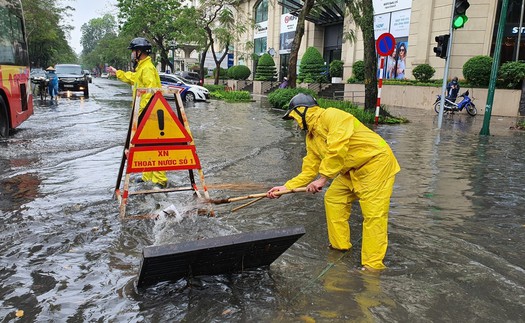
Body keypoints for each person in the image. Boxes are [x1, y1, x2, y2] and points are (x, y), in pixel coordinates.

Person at [267, 93, 400, 272]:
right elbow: (309, 169)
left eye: (294, 117)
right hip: (350, 171)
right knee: (333, 198)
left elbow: (337, 148)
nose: (295, 123)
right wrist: (285, 188)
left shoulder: (333, 116)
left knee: (374, 216)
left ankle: (372, 266)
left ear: (302, 111)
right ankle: (340, 246)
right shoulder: (312, 137)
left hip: (375, 164)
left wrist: (323, 179)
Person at [107, 37, 167, 189]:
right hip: (145, 112)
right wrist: (118, 73)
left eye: (134, 51)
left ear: (140, 52)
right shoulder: (142, 67)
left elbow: (150, 91)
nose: (132, 54)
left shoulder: (147, 68)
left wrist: (141, 113)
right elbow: (133, 78)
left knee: (154, 147)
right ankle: (147, 176)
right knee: (145, 146)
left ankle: (160, 180)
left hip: (150, 114)